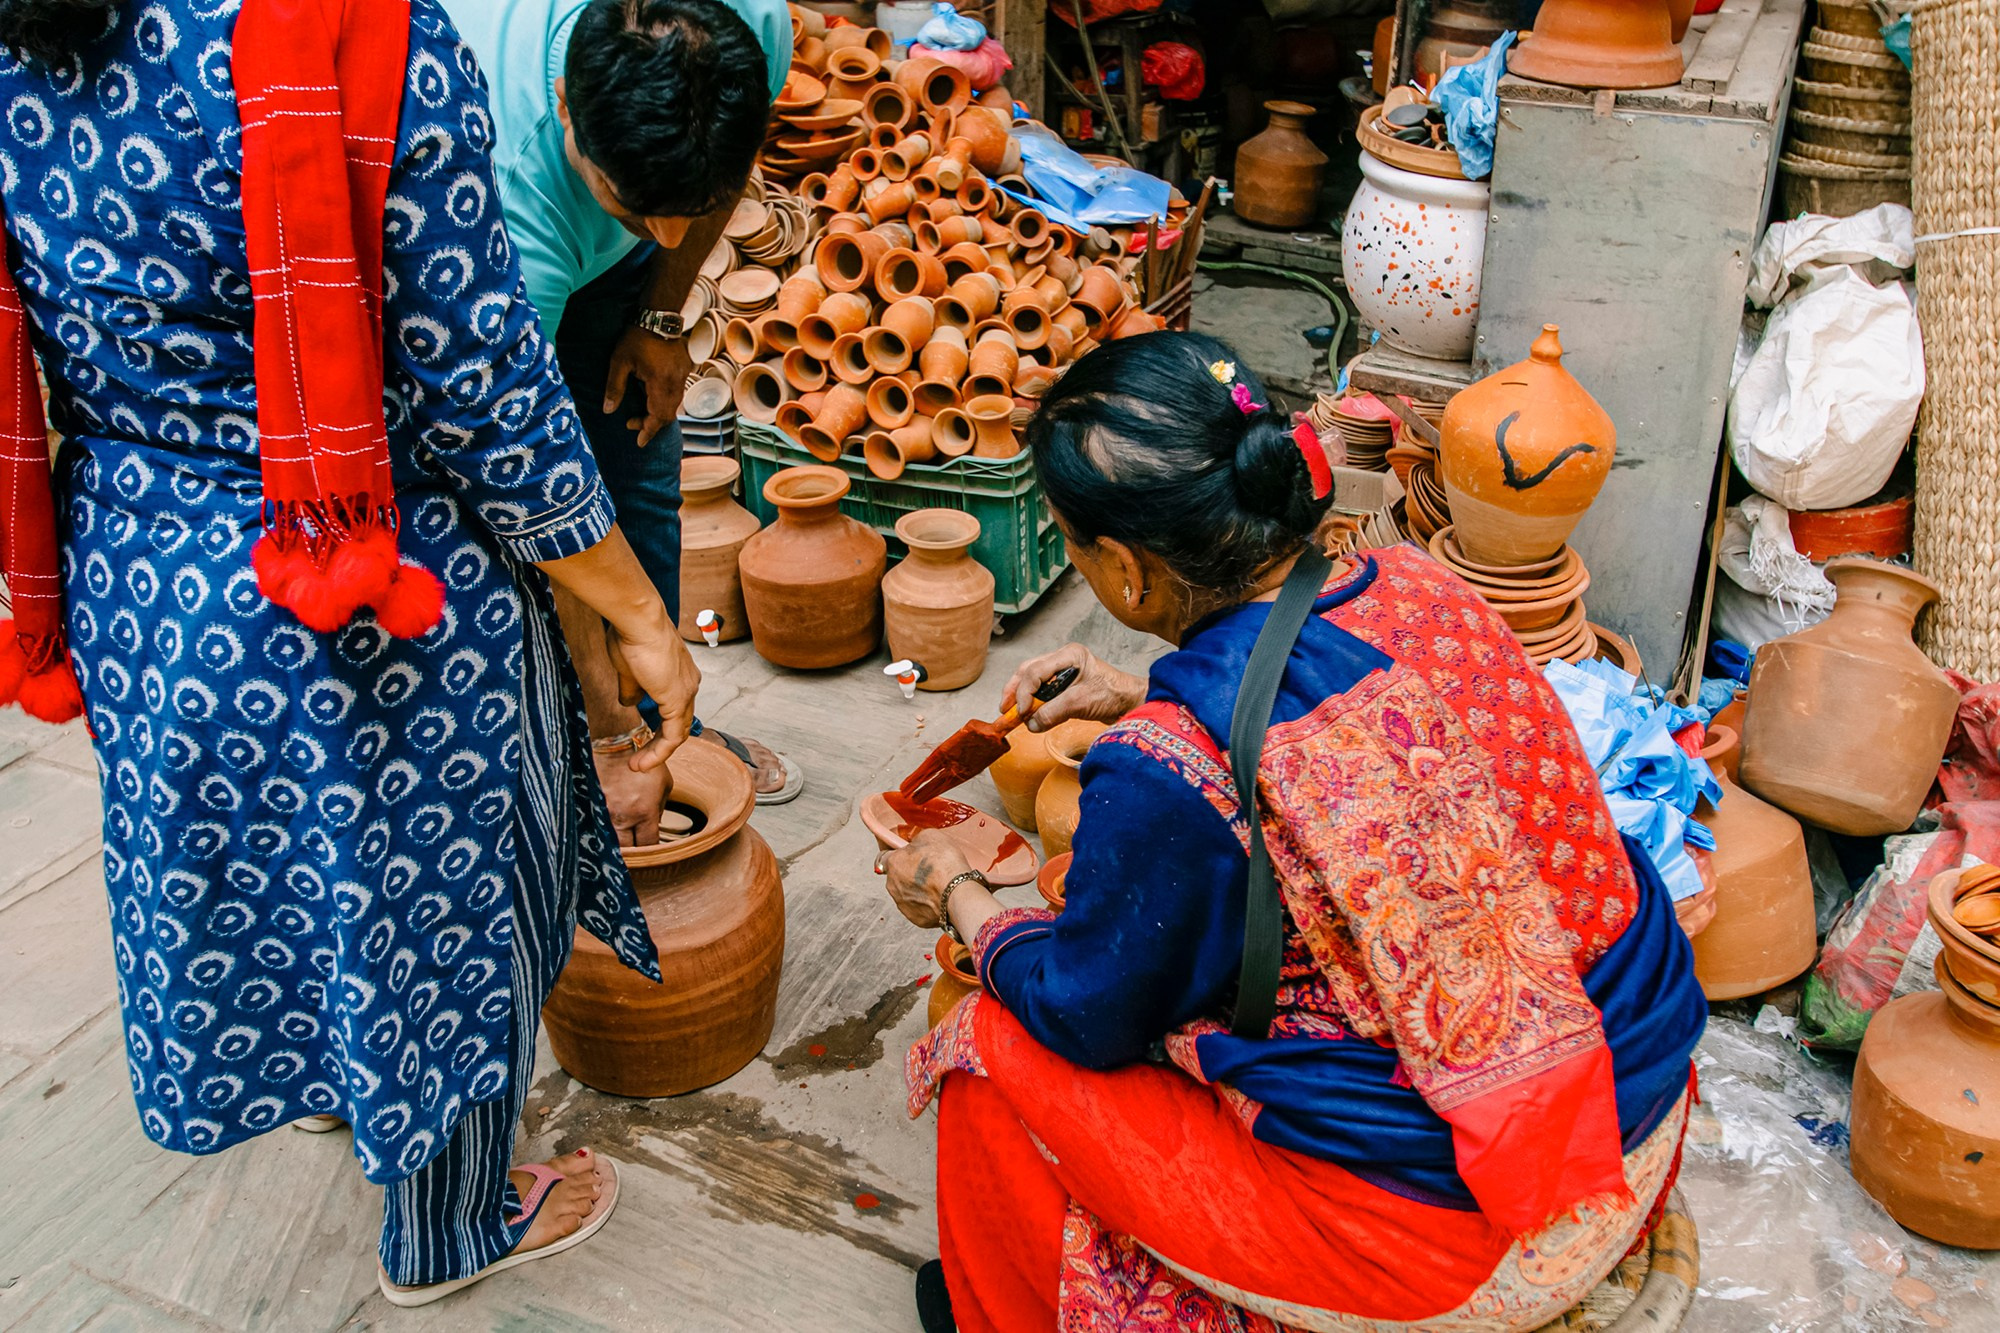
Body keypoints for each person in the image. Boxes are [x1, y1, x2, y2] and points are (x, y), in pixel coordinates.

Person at [0, 0, 700, 1305]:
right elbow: (479, 382)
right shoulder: (361, 35)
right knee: (451, 898)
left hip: (144, 576)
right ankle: (453, 1225)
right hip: (362, 574)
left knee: (299, 869)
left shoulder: (32, 34)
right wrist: (641, 616)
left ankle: (347, 1080)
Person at [878, 333, 1709, 1333]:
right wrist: (1142, 691)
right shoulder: (1421, 586)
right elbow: (1350, 720)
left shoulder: (1158, 768)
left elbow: (1083, 1013)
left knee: (990, 1036)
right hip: (1630, 1104)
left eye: (1077, 546)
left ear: (1129, 572)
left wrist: (959, 895)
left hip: (1462, 1224)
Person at [440, 0, 803, 833]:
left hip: (614, 194)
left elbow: (691, 196)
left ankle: (668, 727)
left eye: (693, 205)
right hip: (488, 262)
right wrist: (609, 735)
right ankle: (593, 744)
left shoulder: (748, 28)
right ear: (567, 105)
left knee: (640, 462)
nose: (670, 235)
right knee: (530, 529)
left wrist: (661, 312)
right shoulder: (504, 185)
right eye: (637, 209)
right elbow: (527, 475)